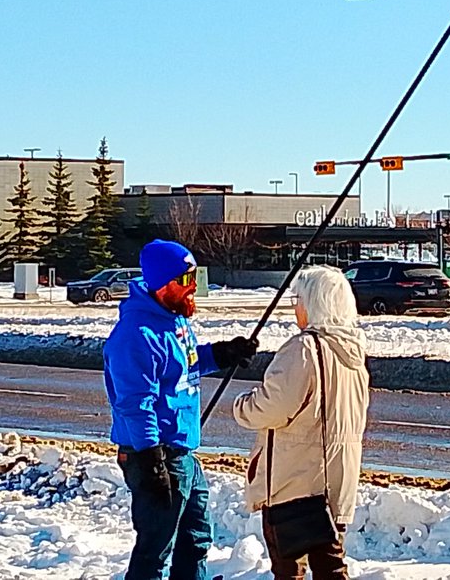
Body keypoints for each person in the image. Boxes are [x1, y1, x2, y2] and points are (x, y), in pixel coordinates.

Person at [104, 239, 257, 580]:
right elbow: (135, 403)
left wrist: (221, 353)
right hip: (155, 455)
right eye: (186, 281)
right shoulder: (136, 336)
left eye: (195, 279)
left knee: (196, 539)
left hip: (182, 453)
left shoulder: (173, 320)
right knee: (155, 550)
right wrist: (151, 460)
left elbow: (184, 363)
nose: (194, 290)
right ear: (164, 283)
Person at [233, 267, 370, 580]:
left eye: (298, 299)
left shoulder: (304, 348)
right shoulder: (353, 353)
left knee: (288, 568)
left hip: (296, 480)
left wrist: (242, 406)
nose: (295, 307)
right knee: (331, 566)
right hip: (337, 480)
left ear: (314, 303)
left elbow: (271, 407)